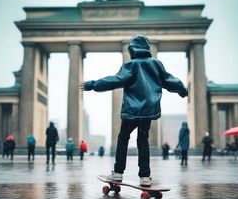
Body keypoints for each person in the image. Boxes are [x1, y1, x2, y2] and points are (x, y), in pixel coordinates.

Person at [80, 34, 188, 186]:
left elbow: (115, 81)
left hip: (131, 111)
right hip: (148, 111)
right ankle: (145, 176)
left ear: (132, 49)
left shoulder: (130, 66)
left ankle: (118, 173)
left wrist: (92, 85)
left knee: (123, 138)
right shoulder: (157, 64)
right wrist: (182, 90)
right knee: (143, 141)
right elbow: (171, 81)